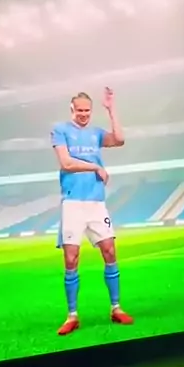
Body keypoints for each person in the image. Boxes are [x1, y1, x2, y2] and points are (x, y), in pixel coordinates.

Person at [51, 88, 134, 336]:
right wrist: (95, 167)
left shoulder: (96, 133)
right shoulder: (60, 130)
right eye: (80, 110)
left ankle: (116, 308)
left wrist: (111, 109)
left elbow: (119, 139)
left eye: (87, 111)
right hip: (73, 203)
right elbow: (66, 163)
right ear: (72, 109)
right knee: (71, 259)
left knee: (110, 251)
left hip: (96, 202)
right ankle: (72, 315)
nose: (84, 114)